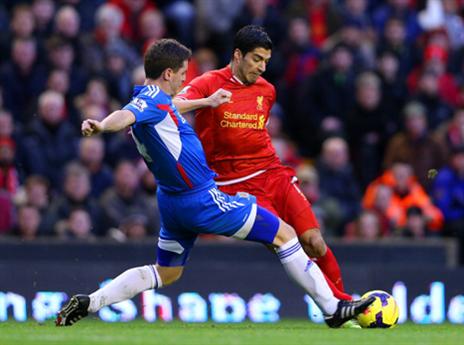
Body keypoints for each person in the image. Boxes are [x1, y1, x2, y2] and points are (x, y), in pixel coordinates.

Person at [56, 39, 373, 328]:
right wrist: (100, 126)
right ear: (168, 73)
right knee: (284, 234)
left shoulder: (156, 100)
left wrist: (205, 102)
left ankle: (92, 301)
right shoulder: (150, 101)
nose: (184, 79)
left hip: (171, 202)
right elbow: (125, 115)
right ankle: (332, 308)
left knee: (166, 272)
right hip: (201, 199)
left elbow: (164, 108)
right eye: (182, 73)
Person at [174, 25, 351, 301]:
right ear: (237, 55)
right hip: (237, 186)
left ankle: (343, 303)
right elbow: (171, 105)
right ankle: (340, 305)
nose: (262, 67)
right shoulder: (209, 82)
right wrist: (207, 102)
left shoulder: (267, 91)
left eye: (266, 61)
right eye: (256, 59)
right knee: (287, 242)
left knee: (315, 243)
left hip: (274, 174)